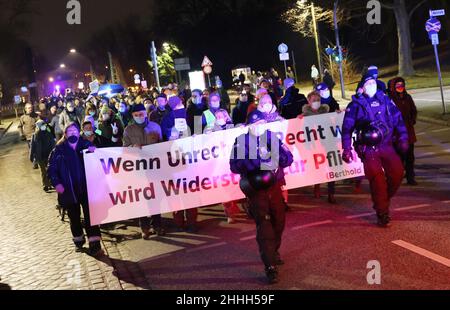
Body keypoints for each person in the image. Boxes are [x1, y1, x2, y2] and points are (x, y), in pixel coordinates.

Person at [230, 110, 294, 284]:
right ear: (249, 126)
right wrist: (257, 160)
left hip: (274, 186)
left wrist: (279, 157)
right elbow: (234, 166)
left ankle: (273, 251)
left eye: (262, 124)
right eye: (256, 124)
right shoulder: (241, 141)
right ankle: (270, 266)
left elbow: (288, 158)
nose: (260, 127)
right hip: (256, 188)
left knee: (279, 222)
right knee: (264, 225)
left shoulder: (272, 137)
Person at [341, 74, 409, 227]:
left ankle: (382, 199)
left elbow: (399, 120)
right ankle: (382, 213)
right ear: (362, 87)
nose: (371, 85)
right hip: (368, 148)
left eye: (373, 82)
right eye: (368, 83)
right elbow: (346, 128)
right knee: (377, 180)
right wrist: (346, 149)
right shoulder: (355, 105)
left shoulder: (386, 100)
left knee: (397, 173)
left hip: (387, 145)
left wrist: (404, 138)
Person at [47, 122, 103, 256]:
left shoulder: (86, 146)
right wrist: (57, 184)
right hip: (68, 190)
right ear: (65, 134)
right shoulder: (58, 150)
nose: (73, 133)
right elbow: (51, 169)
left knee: (91, 216)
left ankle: (94, 243)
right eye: (69, 131)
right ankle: (78, 240)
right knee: (74, 217)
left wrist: (93, 151)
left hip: (86, 188)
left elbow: (98, 161)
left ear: (79, 133)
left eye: (75, 131)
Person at [123, 104, 166, 239]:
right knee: (141, 198)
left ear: (145, 113)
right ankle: (145, 228)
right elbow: (124, 149)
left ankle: (157, 225)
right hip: (138, 169)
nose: (139, 117)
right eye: (136, 115)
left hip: (154, 168)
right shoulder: (128, 130)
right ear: (133, 116)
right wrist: (132, 147)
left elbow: (162, 144)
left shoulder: (155, 126)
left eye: (141, 114)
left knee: (155, 198)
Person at [299, 92, 337, 204]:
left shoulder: (326, 113)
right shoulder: (304, 116)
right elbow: (303, 133)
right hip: (315, 147)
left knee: (332, 168)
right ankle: (317, 186)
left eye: (318, 100)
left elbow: (332, 126)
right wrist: (298, 120)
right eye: (313, 100)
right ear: (308, 101)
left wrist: (338, 115)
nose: (316, 102)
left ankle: (331, 193)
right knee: (318, 168)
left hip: (327, 144)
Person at [388, 77, 418, 186]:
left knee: (410, 156)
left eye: (402, 85)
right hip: (397, 133)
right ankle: (398, 177)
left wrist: (412, 120)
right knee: (399, 157)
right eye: (398, 86)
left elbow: (413, 110)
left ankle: (411, 177)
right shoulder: (390, 100)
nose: (400, 88)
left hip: (409, 131)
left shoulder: (407, 97)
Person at [30, 120, 55, 192]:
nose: (44, 126)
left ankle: (50, 183)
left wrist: (54, 153)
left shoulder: (48, 133)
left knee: (49, 170)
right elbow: (32, 146)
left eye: (44, 125)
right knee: (43, 171)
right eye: (42, 125)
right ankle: (45, 185)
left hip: (48, 155)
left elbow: (53, 144)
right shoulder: (35, 135)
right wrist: (31, 156)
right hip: (39, 156)